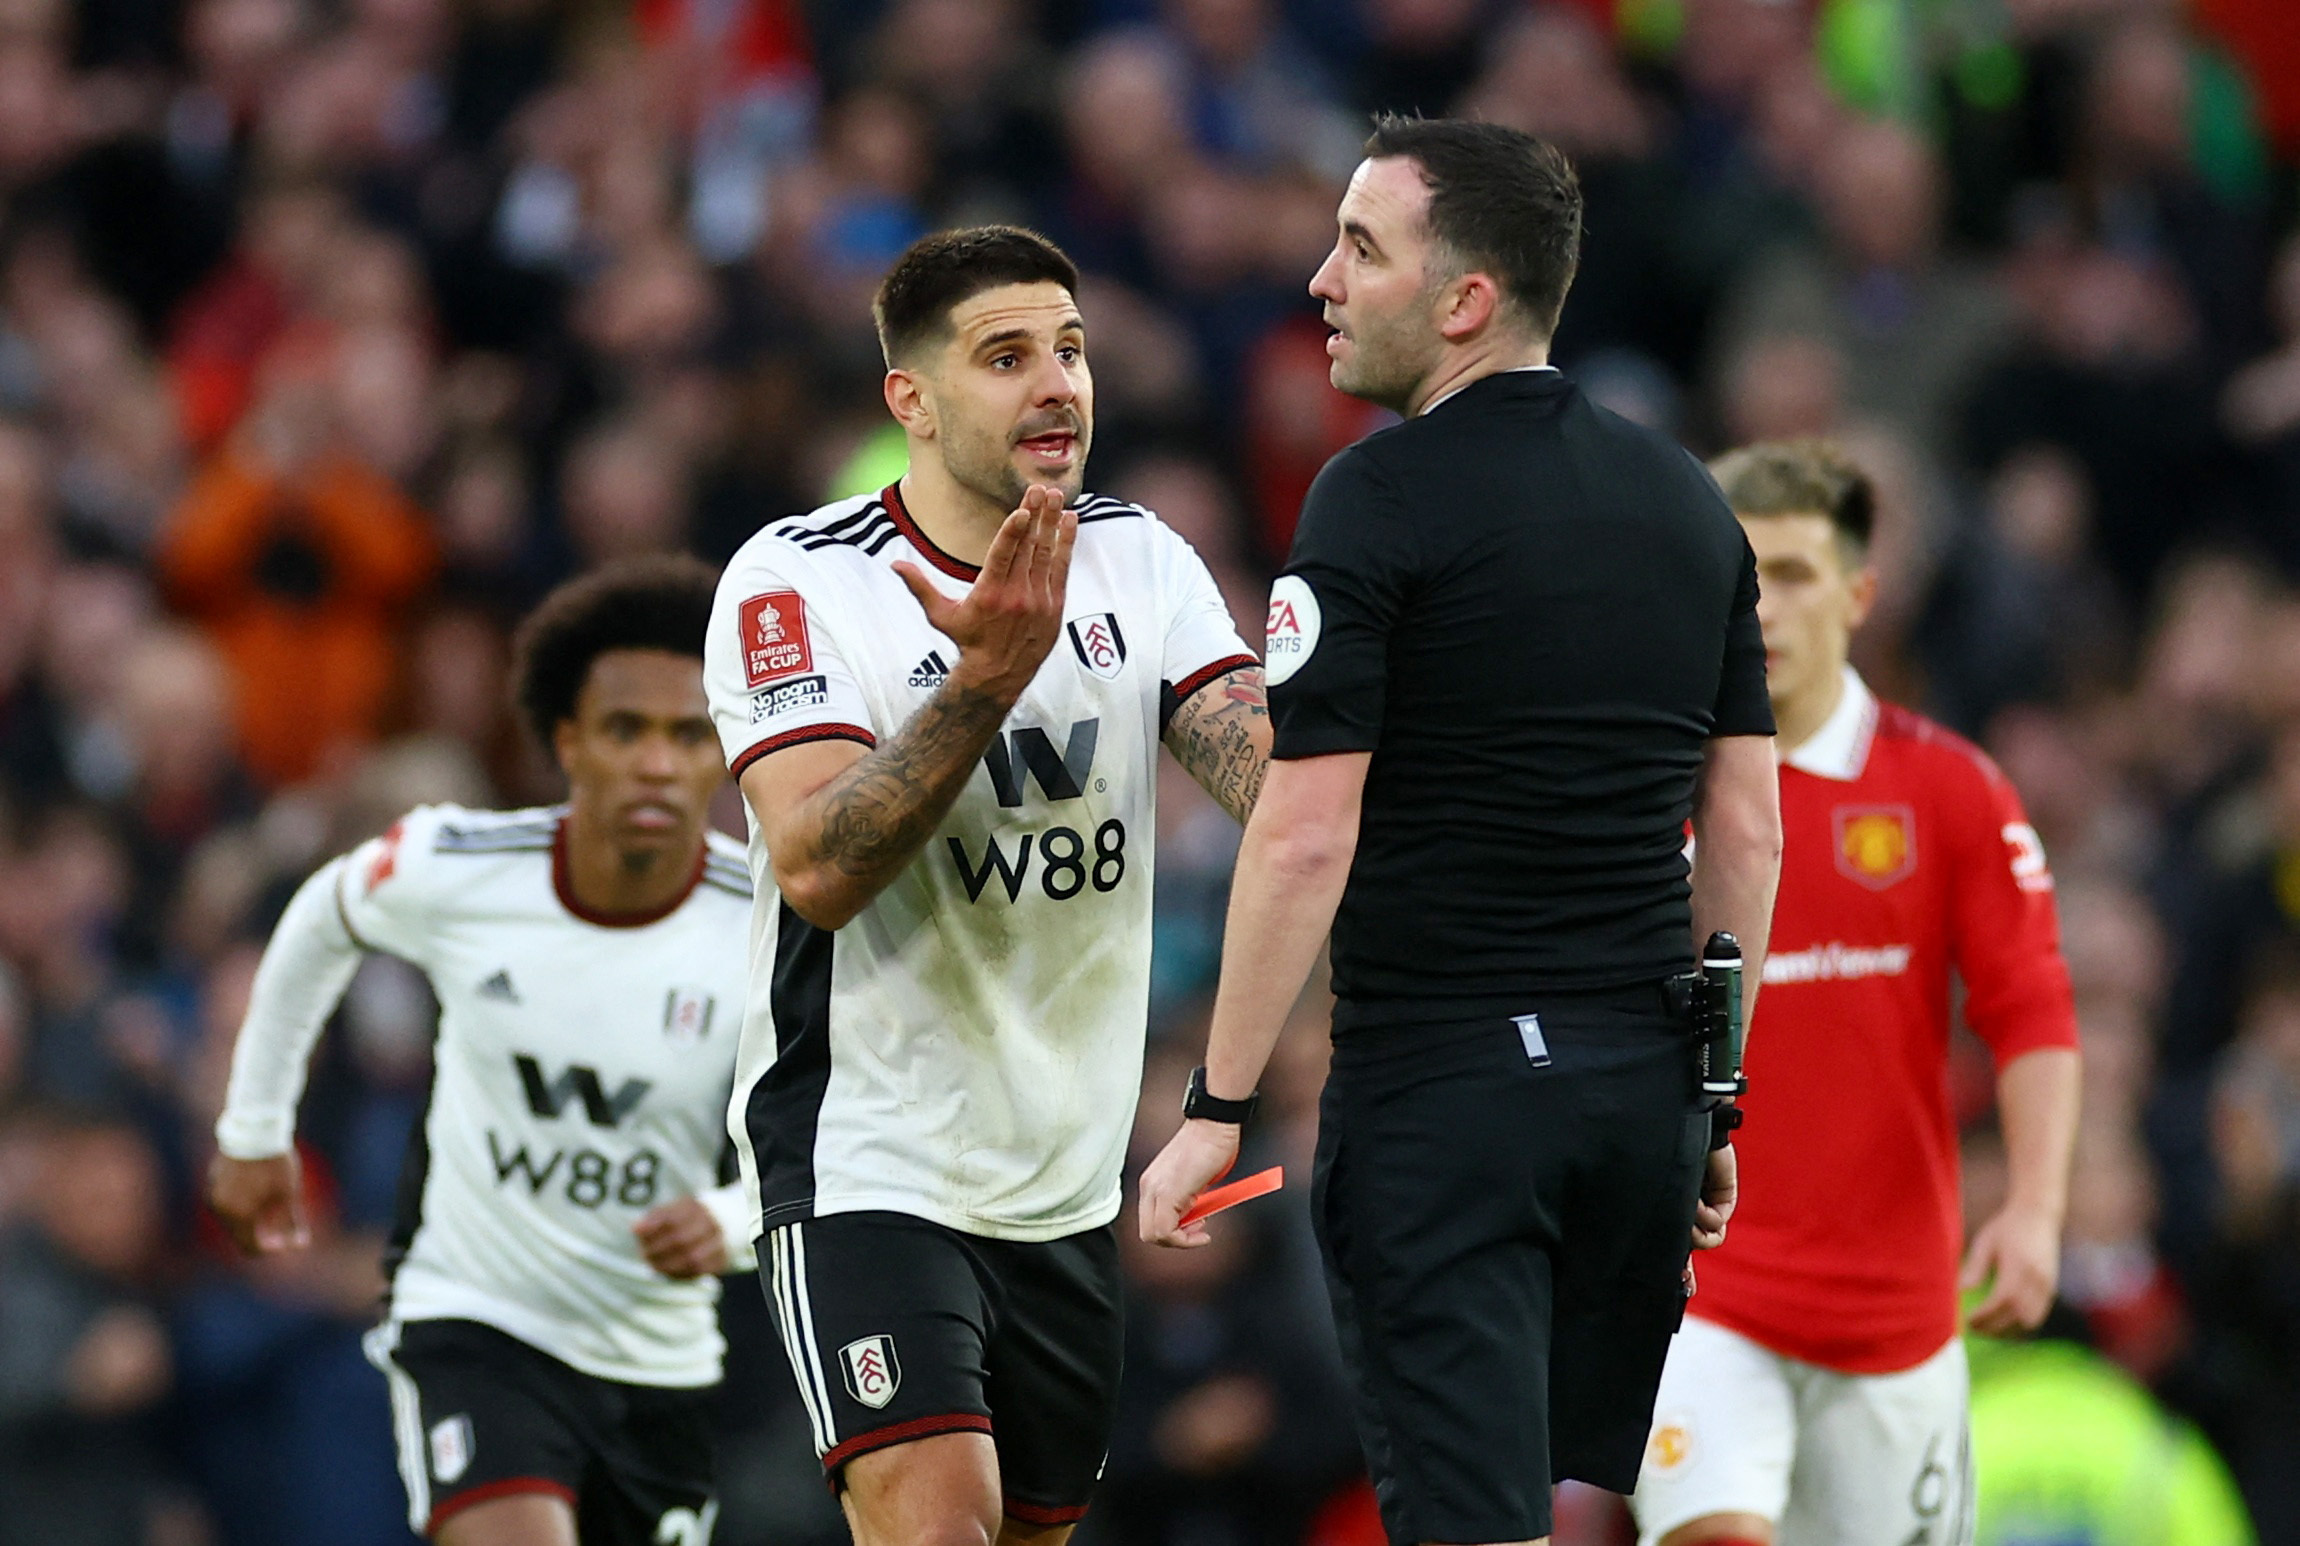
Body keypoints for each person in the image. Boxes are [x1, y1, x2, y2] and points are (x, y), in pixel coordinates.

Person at [1138, 116, 1784, 1546]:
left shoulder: (1375, 493)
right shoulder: (1688, 499)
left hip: (1448, 1104)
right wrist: (1717, 1090)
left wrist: (1216, 1111)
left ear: (1466, 301)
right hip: (1636, 1110)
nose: (1320, 278)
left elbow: (1306, 832)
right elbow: (1746, 824)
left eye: (1361, 247)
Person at [704, 225, 1267, 1546]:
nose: (1058, 384)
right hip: (867, 1156)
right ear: (912, 398)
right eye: (1006, 357)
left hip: (1064, 1180)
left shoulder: (1141, 559)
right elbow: (821, 866)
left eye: (1070, 351)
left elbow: (1282, 792)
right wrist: (985, 682)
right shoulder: (796, 580)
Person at [206, 558, 756, 1546]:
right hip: (478, 1319)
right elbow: (320, 918)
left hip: (653, 1348)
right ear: (566, 742)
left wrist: (734, 1218)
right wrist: (254, 1131)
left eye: (688, 735)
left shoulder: (767, 923)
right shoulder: (458, 865)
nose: (656, 763)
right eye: (626, 730)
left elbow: (837, 1125)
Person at [1630, 442, 2083, 1546]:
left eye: (1789, 573)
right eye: (1738, 575)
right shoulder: (1646, 793)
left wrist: (2032, 1207)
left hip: (1893, 1315)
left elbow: (2029, 1009)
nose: (1762, 606)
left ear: (1858, 594)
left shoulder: (1946, 790)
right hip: (1698, 1291)